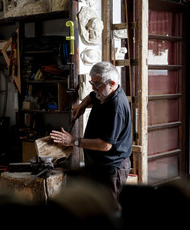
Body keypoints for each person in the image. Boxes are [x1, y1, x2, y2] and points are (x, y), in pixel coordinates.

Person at [50, 61, 132, 210]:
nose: (93, 88)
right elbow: (92, 96)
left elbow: (105, 145)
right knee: (97, 207)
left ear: (112, 83)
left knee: (111, 209)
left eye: (97, 84)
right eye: (91, 83)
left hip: (112, 169)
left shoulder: (116, 107)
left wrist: (73, 141)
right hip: (98, 165)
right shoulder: (102, 93)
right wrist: (83, 104)